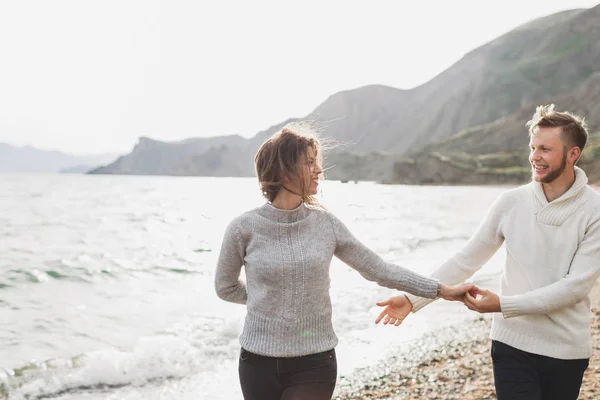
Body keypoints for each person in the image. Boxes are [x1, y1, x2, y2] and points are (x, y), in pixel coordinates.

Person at [214, 123, 473, 400]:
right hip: (257, 363)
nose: (319, 171)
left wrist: (443, 291)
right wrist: (269, 300)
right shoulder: (243, 228)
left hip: (314, 363)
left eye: (317, 163)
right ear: (282, 170)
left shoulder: (325, 224)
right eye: (309, 163)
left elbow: (379, 270)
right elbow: (225, 287)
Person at [375, 104, 600, 400]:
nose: (534, 157)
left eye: (545, 149)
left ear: (573, 154)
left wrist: (503, 304)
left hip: (566, 350)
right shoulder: (511, 203)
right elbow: (466, 259)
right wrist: (411, 298)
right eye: (533, 147)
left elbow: (574, 288)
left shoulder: (594, 210)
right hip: (512, 344)